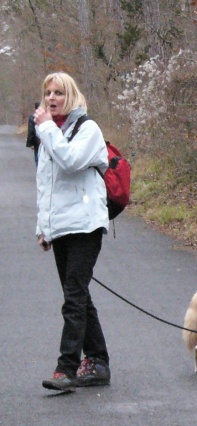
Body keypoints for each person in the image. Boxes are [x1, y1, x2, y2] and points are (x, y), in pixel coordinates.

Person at [35, 72, 111, 392]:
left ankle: (66, 367)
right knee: (77, 294)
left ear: (72, 96)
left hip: (86, 224)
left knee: (74, 296)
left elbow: (69, 161)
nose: (52, 99)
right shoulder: (49, 133)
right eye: (48, 93)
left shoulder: (87, 129)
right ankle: (98, 360)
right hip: (61, 226)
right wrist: (43, 227)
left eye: (59, 94)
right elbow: (45, 184)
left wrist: (47, 128)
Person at [26, 102, 41, 166]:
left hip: (36, 142)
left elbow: (31, 131)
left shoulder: (32, 117)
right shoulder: (48, 116)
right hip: (45, 141)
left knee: (37, 158)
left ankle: (39, 173)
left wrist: (31, 144)